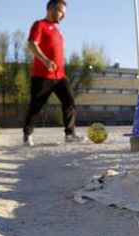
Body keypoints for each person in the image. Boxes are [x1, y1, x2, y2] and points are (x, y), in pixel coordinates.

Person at [23, 0, 82, 146]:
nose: (63, 16)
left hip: (60, 76)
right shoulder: (39, 25)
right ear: (51, 9)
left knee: (69, 101)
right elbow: (32, 44)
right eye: (61, 12)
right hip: (42, 75)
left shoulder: (57, 30)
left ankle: (69, 134)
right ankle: (27, 135)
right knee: (37, 106)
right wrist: (45, 60)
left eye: (64, 13)